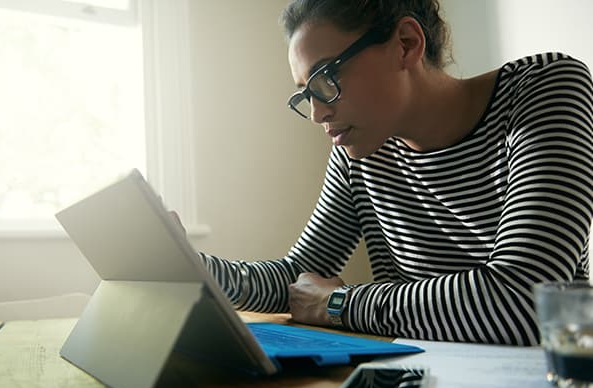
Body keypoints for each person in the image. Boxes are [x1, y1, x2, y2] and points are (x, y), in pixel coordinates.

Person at [199, 0, 593, 345]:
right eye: (306, 94)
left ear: (406, 44)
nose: (318, 113)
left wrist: (338, 303)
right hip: (416, 381)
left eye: (325, 80)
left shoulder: (545, 90)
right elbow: (299, 282)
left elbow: (525, 301)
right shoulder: (361, 153)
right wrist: (190, 268)